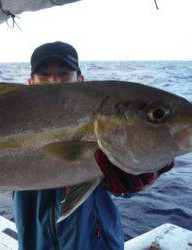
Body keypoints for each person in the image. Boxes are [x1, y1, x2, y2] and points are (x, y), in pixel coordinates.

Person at [13, 41, 174, 250]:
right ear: (30, 83)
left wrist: (143, 170)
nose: (54, 81)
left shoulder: (101, 119)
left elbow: (121, 181)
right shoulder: (14, 122)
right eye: (44, 75)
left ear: (80, 79)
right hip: (34, 241)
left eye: (64, 73)